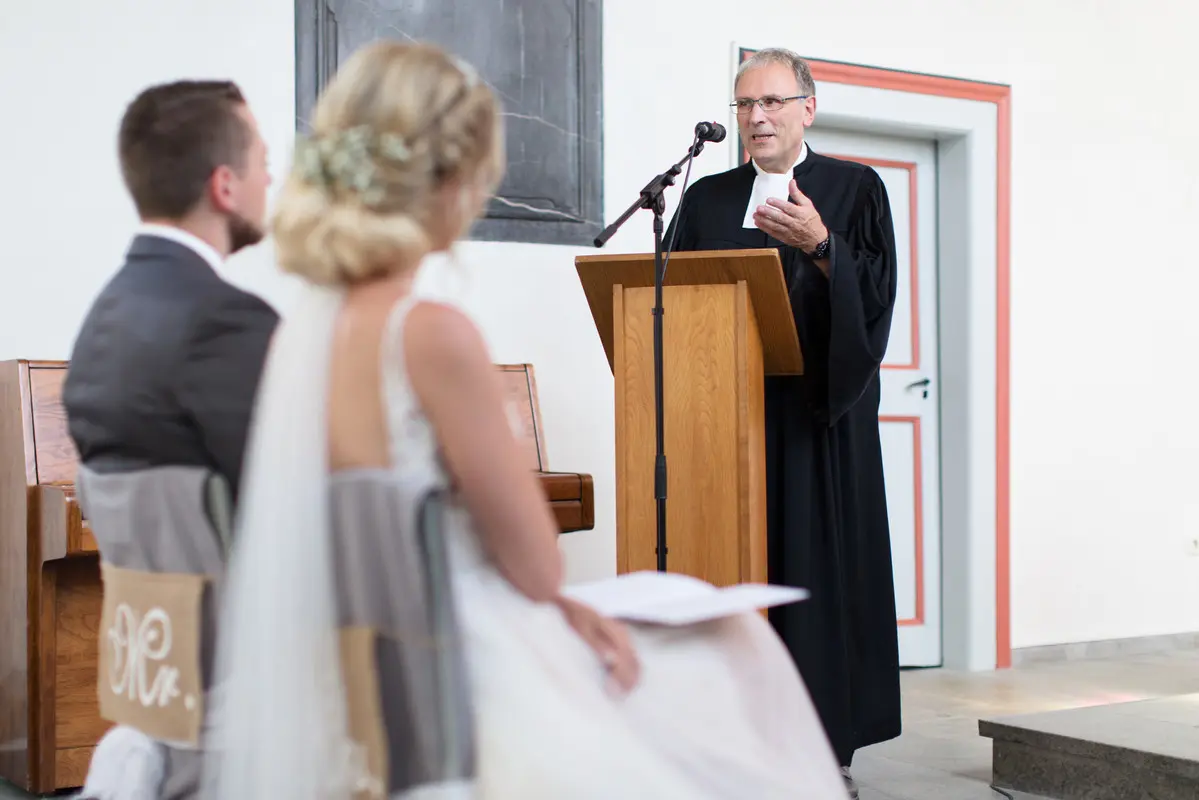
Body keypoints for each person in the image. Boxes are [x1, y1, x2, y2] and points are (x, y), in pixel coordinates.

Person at [200, 40, 849, 799]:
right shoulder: (432, 334)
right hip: (448, 670)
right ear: (449, 179)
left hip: (354, 666)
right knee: (737, 650)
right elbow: (536, 567)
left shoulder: (300, 335)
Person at [664, 47, 902, 795]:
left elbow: (876, 300)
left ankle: (823, 747)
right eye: (745, 104)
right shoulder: (705, 198)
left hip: (816, 419)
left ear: (808, 108)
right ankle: (722, 739)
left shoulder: (855, 189)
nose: (757, 117)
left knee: (811, 578)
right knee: (734, 579)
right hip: (725, 421)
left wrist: (822, 247)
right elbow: (668, 299)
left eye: (771, 102)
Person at [63, 78, 279, 798]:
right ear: (224, 185)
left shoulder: (102, 321)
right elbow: (301, 520)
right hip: (243, 712)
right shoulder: (228, 323)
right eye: (262, 162)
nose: (271, 179)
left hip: (158, 692)